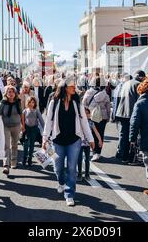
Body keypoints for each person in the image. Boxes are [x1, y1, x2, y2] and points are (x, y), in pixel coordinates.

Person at [43, 77, 95, 207]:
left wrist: (91, 139)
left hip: (74, 140)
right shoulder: (54, 102)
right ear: (65, 87)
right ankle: (61, 182)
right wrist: (44, 138)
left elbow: (84, 122)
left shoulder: (77, 103)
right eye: (72, 86)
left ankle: (69, 194)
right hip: (57, 140)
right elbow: (48, 121)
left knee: (72, 168)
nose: (74, 88)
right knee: (58, 167)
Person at [115, 70, 146, 163]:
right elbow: (140, 101)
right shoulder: (138, 84)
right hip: (131, 113)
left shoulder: (125, 83)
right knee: (131, 136)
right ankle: (128, 157)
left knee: (123, 135)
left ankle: (121, 154)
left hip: (121, 112)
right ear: (142, 77)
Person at [82, 77, 111, 162]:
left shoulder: (88, 92)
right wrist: (108, 117)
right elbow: (108, 107)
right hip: (103, 116)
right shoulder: (105, 94)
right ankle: (98, 153)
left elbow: (84, 104)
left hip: (91, 115)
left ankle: (93, 150)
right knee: (100, 134)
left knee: (91, 133)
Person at [0, 85, 22, 174]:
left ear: (15, 93)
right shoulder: (3, 102)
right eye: (9, 92)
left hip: (16, 125)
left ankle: (13, 162)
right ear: (6, 93)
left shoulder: (17, 102)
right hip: (5, 126)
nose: (11, 94)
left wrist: (23, 125)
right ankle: (6, 165)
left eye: (12, 92)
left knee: (14, 145)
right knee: (6, 146)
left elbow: (21, 113)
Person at [78, 108, 102, 182]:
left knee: (87, 160)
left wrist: (100, 140)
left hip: (88, 144)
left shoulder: (91, 123)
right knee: (79, 159)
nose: (87, 115)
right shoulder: (79, 122)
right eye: (85, 113)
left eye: (88, 113)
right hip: (79, 144)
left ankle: (87, 175)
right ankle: (79, 174)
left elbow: (96, 132)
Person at [21, 96, 44, 167]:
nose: (31, 104)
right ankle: (24, 159)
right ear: (27, 103)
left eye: (33, 102)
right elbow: (22, 121)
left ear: (35, 103)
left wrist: (45, 130)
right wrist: (23, 128)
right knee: (26, 145)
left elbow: (41, 120)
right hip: (26, 130)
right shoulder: (25, 111)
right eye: (30, 102)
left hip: (34, 129)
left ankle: (30, 159)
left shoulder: (36, 110)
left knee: (32, 145)